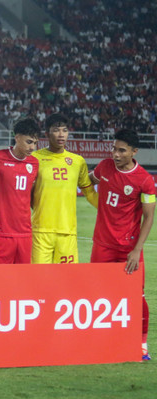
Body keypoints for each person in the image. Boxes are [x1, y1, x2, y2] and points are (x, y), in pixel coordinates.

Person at [89, 129, 155, 360]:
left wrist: (137, 250)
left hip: (127, 249)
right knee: (97, 294)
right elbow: (91, 179)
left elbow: (149, 217)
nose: (115, 154)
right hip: (101, 245)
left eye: (122, 150)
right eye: (114, 149)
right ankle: (101, 342)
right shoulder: (104, 167)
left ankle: (141, 343)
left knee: (137, 296)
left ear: (134, 152)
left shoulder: (145, 180)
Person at [31, 113, 97, 264]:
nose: (61, 135)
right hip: (40, 232)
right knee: (38, 281)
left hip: (67, 232)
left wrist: (109, 210)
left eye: (65, 130)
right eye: (56, 130)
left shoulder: (77, 161)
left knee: (66, 281)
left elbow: (90, 193)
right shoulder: (34, 158)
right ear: (47, 133)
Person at [0, 118, 40, 264]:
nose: (32, 147)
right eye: (29, 142)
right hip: (0, 232)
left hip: (25, 233)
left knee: (22, 280)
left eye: (35, 143)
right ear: (17, 137)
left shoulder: (34, 163)